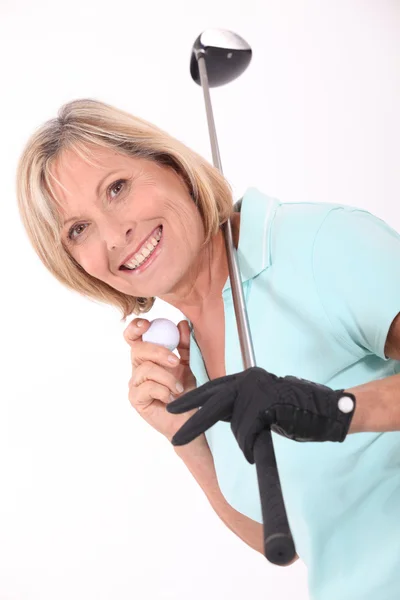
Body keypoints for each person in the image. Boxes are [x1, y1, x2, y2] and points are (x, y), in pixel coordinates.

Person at [16, 98, 400, 600]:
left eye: (117, 188)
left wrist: (332, 409)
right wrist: (185, 437)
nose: (114, 235)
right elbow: (282, 539)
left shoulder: (313, 242)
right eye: (79, 229)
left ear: (171, 165)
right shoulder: (188, 357)